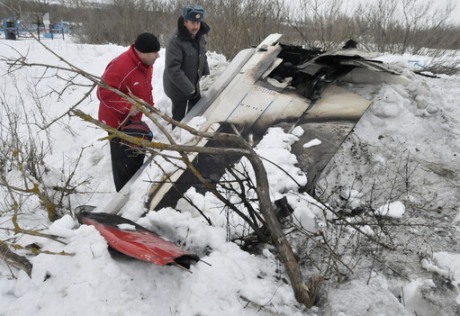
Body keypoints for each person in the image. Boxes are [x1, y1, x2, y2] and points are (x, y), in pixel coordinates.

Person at [97, 32, 160, 191]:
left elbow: (145, 87)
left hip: (132, 119)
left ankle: (134, 187)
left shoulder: (147, 65)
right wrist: (126, 106)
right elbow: (103, 92)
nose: (158, 56)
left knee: (136, 153)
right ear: (142, 53)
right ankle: (123, 193)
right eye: (154, 52)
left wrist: (150, 105)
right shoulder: (120, 66)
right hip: (116, 122)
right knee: (123, 160)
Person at [163, 4, 210, 124]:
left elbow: (202, 54)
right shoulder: (175, 41)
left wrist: (205, 72)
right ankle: (177, 139)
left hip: (193, 83)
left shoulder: (199, 36)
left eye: (198, 23)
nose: (196, 26)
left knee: (197, 112)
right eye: (193, 22)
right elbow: (173, 70)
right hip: (177, 88)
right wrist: (190, 90)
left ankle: (192, 134)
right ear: (185, 22)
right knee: (179, 118)